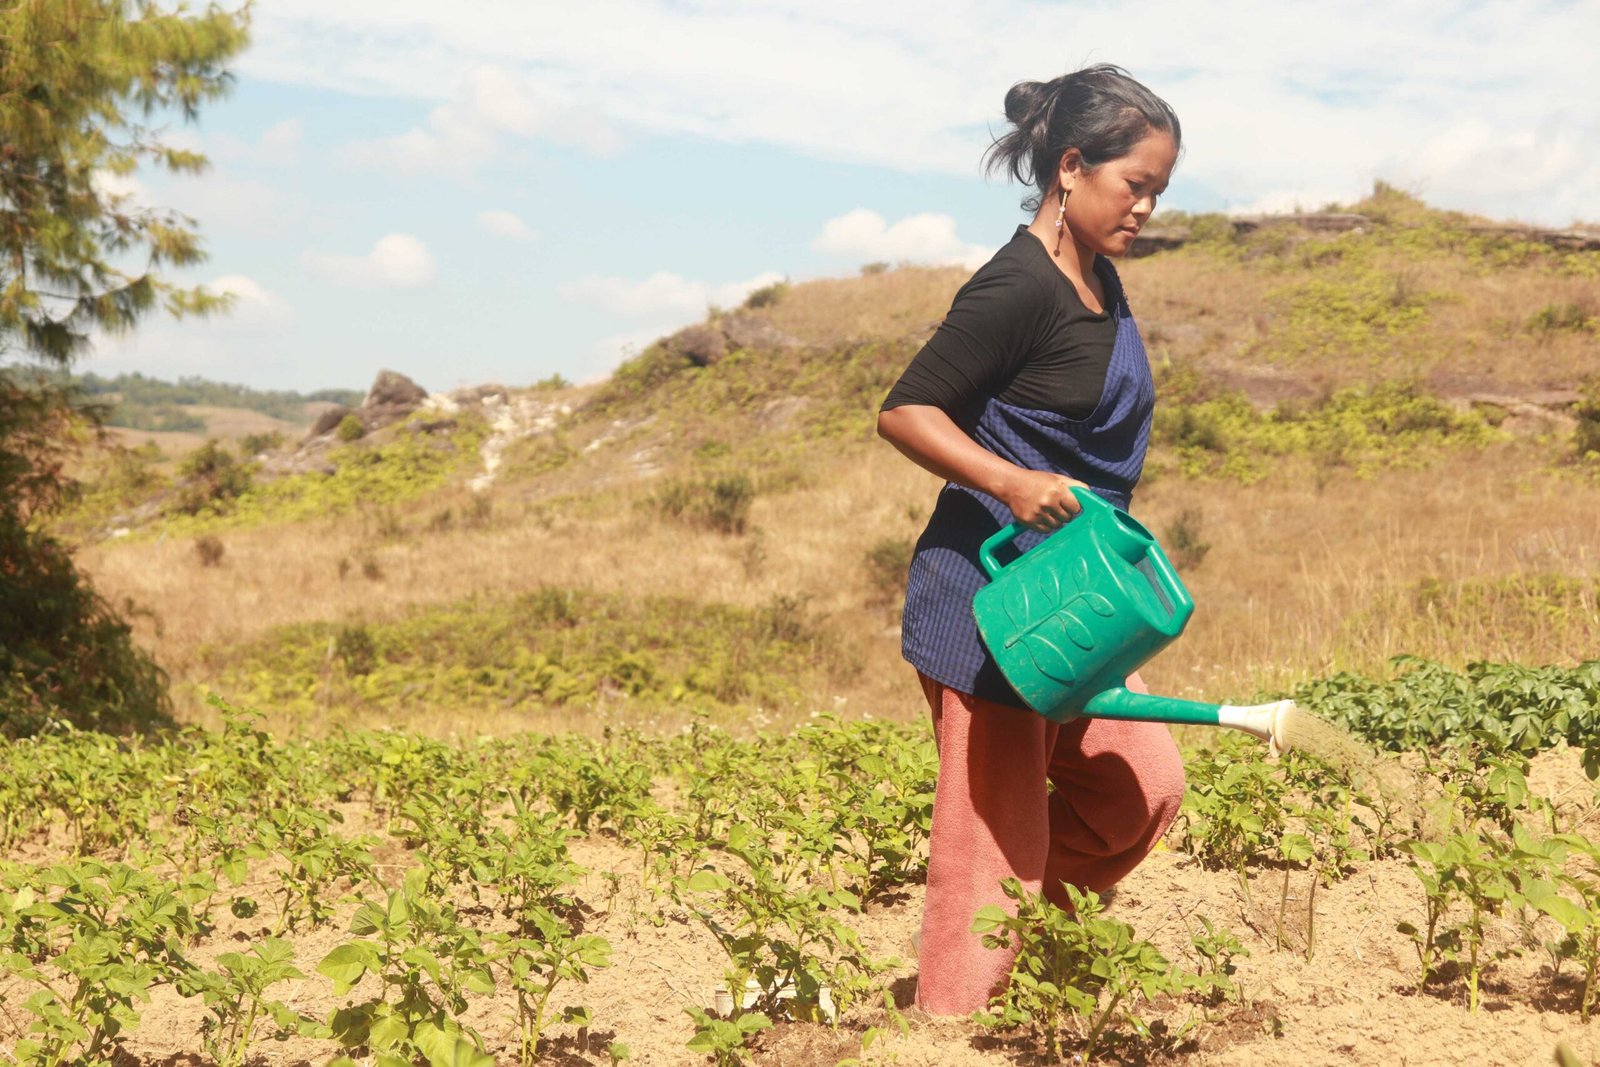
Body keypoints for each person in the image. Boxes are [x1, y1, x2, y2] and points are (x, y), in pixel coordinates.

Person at [875, 64, 1187, 1016]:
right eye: (1135, 185)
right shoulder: (1016, 286)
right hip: (992, 603)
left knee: (1142, 788)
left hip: (1076, 601)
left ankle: (1033, 947)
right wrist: (1009, 482)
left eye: (1159, 192)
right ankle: (954, 1022)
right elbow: (905, 410)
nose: (1145, 208)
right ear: (1071, 166)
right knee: (991, 840)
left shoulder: (1099, 278)